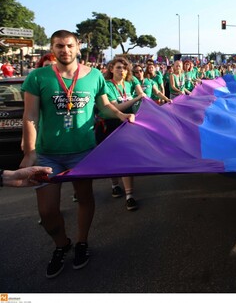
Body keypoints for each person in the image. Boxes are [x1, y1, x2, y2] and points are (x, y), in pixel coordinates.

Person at [21, 30, 134, 279]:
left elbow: (103, 106)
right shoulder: (38, 77)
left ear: (78, 46)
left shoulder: (93, 76)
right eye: (59, 46)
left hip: (83, 152)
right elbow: (29, 116)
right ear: (52, 48)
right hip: (47, 154)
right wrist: (29, 152)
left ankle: (82, 242)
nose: (65, 50)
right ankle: (62, 245)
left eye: (69, 45)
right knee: (48, 213)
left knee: (85, 198)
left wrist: (120, 115)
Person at [97, 57, 146, 211]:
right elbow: (116, 106)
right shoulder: (107, 85)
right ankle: (114, 184)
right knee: (112, 159)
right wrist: (137, 98)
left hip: (128, 123)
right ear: (111, 69)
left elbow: (142, 95)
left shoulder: (131, 82)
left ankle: (129, 196)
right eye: (118, 67)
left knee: (126, 158)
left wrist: (141, 96)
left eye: (124, 68)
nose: (122, 71)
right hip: (110, 125)